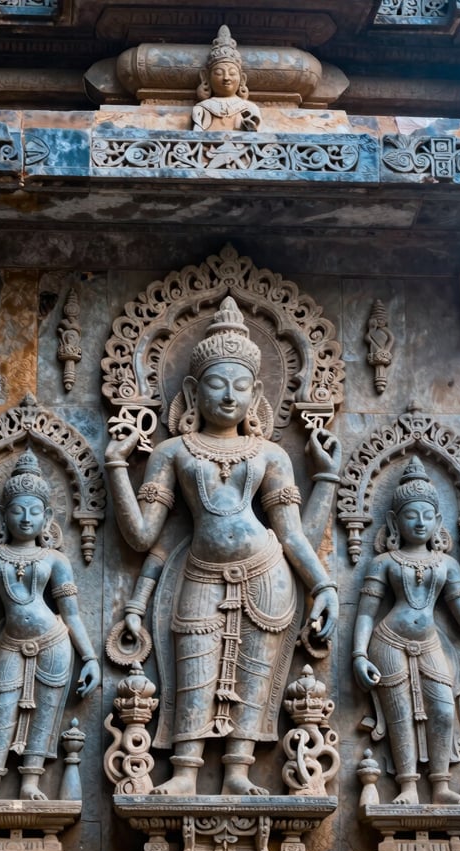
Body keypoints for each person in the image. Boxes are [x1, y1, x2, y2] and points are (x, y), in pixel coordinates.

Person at [105, 295, 339, 795]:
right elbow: (143, 535)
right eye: (216, 383)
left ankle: (237, 770)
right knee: (193, 669)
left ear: (257, 393)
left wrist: (323, 585)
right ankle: (185, 771)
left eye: (240, 386)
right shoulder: (172, 451)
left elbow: (292, 532)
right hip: (200, 573)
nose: (229, 396)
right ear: (192, 389)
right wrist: (116, 465)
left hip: (266, 571)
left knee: (254, 675)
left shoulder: (271, 453)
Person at [0, 451, 100, 801]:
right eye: (17, 510)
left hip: (54, 641)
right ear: (2, 515)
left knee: (46, 711)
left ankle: (31, 780)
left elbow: (71, 614)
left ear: (47, 517)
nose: (26, 518)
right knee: (0, 708)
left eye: (34, 512)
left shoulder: (55, 560)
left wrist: (90, 658)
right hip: (11, 643)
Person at [352, 456, 460, 805]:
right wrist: (358, 654)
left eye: (428, 515)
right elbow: (366, 613)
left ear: (438, 521)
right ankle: (408, 786)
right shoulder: (383, 562)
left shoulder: (447, 563)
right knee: (399, 713)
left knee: (443, 712)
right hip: (388, 642)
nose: (420, 522)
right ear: (395, 521)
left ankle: (441, 785)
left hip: (430, 642)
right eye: (412, 515)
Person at [192, 25, 261, 133]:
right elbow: (197, 136)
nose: (226, 78)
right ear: (206, 77)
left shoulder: (249, 108)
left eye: (232, 73)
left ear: (242, 79)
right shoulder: (202, 108)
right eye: (219, 73)